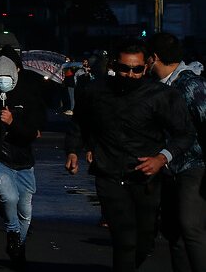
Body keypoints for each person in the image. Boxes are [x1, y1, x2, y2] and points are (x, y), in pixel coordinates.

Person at [66, 40, 196, 272]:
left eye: (136, 69)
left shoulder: (162, 95)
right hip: (109, 174)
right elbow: (80, 122)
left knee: (144, 241)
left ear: (146, 66)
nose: (130, 74)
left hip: (146, 178)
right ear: (116, 65)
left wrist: (162, 158)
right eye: (125, 68)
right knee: (124, 240)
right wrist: (74, 150)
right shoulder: (95, 91)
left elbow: (184, 134)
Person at [147, 33, 206, 272]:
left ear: (154, 58)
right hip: (169, 167)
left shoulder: (189, 83)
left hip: (194, 164)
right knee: (174, 233)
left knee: (190, 227)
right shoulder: (159, 86)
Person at [0, 53, 47, 267]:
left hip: (24, 162)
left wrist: (13, 122)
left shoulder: (28, 97)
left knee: (25, 210)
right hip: (0, 160)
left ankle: (18, 246)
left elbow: (33, 131)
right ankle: (12, 232)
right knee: (9, 197)